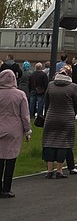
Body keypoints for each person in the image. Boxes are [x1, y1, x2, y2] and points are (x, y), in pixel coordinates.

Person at [0, 67, 31, 198]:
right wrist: (27, 130)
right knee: (11, 159)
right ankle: (7, 189)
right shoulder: (20, 94)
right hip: (14, 128)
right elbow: (25, 115)